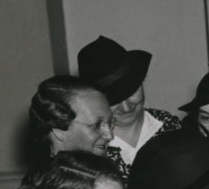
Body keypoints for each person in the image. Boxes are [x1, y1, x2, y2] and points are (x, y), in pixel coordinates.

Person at [76, 35, 182, 176]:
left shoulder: (170, 126)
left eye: (131, 92)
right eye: (114, 100)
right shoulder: (90, 147)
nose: (126, 108)